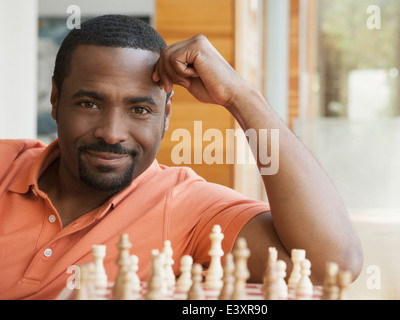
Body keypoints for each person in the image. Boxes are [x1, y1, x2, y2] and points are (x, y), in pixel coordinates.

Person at [0, 15, 362, 299]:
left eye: (139, 109)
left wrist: (240, 96)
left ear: (166, 115)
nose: (111, 132)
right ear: (54, 99)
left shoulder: (185, 206)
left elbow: (333, 264)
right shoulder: (5, 162)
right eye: (89, 103)